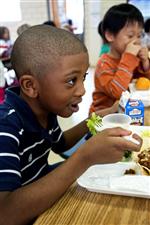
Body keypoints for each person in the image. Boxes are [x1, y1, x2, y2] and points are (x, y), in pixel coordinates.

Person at [0, 25, 142, 225]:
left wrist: (98, 118)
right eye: (71, 81)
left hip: (46, 197)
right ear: (31, 86)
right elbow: (5, 214)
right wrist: (84, 157)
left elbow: (61, 143)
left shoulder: (44, 111)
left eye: (83, 78)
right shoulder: (6, 127)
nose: (82, 90)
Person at [89, 3, 150, 112]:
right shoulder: (104, 64)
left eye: (139, 36)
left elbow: (142, 85)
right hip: (103, 116)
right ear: (110, 35)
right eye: (130, 36)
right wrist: (129, 58)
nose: (136, 41)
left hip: (126, 111)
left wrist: (145, 64)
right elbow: (117, 92)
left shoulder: (132, 59)